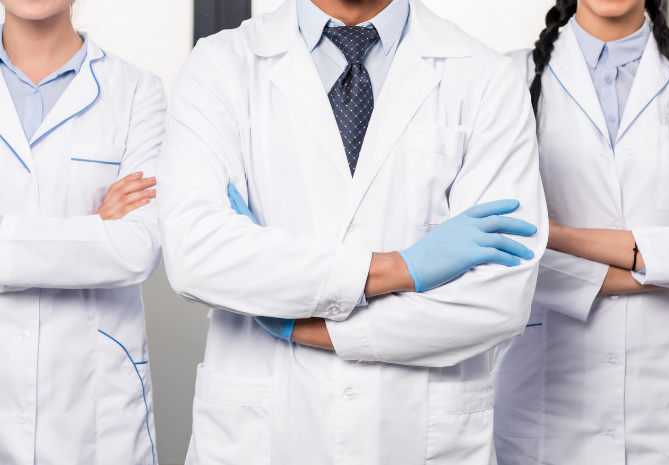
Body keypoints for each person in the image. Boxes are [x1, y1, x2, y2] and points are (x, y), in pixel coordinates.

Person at [158, 0, 547, 462]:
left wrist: (299, 324)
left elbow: (497, 300)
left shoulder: (486, 78)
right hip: (264, 433)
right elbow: (196, 254)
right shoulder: (221, 65)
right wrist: (398, 269)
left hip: (415, 434)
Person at [492, 0, 669, 464]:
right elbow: (501, 242)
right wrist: (667, 262)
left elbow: (534, 238)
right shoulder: (504, 79)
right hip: (545, 392)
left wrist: (556, 233)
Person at [0, 1, 166, 464]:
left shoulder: (136, 92)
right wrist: (93, 230)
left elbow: (136, 249)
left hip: (94, 409)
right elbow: (111, 243)